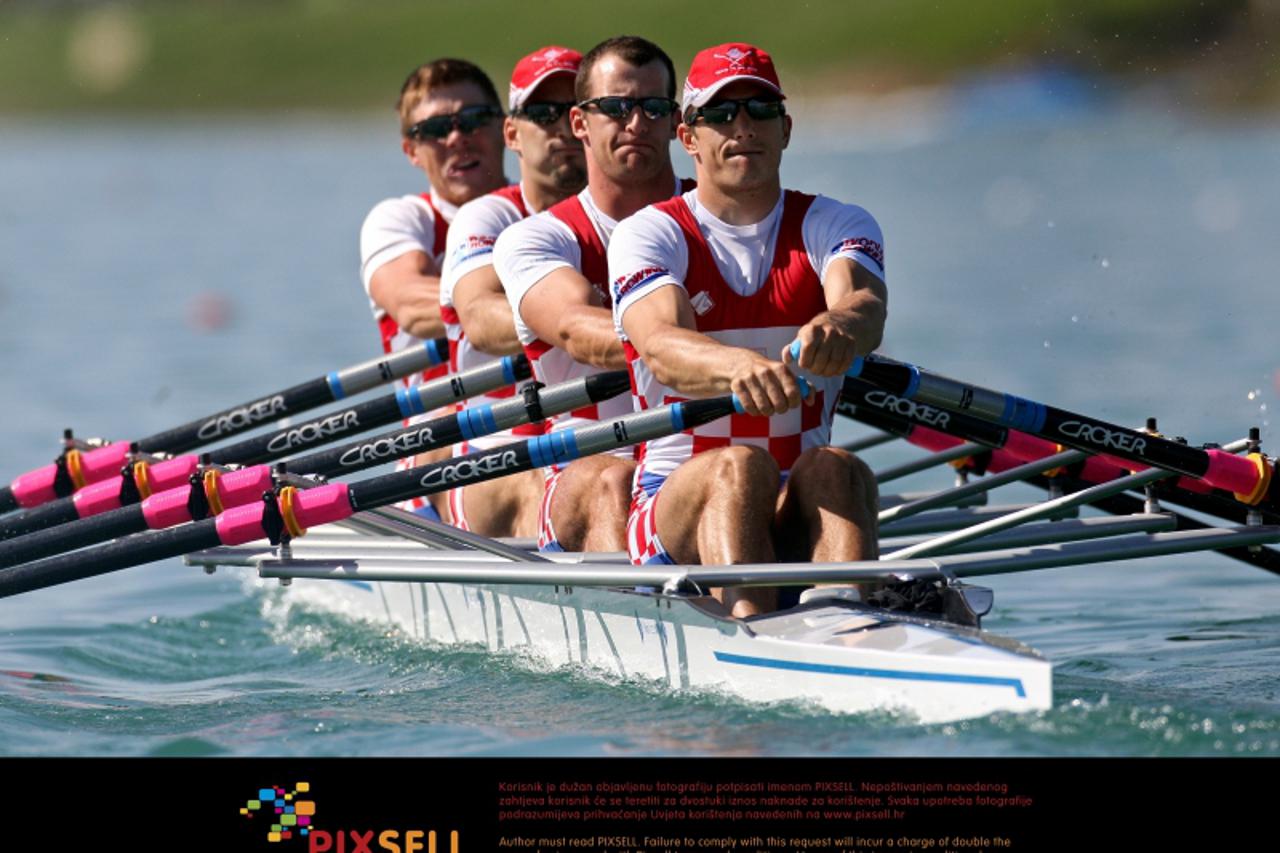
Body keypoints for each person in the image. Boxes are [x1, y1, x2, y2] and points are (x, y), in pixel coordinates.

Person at [608, 43, 887, 617]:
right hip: (673, 507)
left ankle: (848, 622)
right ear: (689, 138)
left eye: (759, 111)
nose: (742, 128)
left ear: (785, 129)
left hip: (797, 504)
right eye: (719, 114)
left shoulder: (835, 222)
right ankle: (751, 625)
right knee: (740, 464)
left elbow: (864, 302)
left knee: (837, 466)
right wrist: (738, 367)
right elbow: (659, 345)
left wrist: (839, 326)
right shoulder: (649, 234)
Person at [492, 35, 691, 552]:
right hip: (592, 476)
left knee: (833, 472)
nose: (637, 123)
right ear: (580, 123)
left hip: (715, 469)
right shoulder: (536, 239)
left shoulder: (722, 221)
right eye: (616, 108)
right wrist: (719, 351)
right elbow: (578, 333)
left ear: (676, 122)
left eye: (653, 108)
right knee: (613, 479)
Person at [439, 46, 588, 537]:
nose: (564, 129)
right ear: (511, 133)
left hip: (600, 444)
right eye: (545, 115)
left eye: (575, 112)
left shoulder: (639, 219)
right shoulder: (487, 218)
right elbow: (481, 320)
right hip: (495, 452)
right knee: (550, 483)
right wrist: (576, 324)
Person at [359, 58, 508, 519]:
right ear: (411, 150)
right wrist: (545, 310)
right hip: (435, 447)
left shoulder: (545, 219)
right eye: (437, 128)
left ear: (505, 128)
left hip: (538, 422)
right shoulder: (405, 220)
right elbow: (410, 304)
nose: (457, 137)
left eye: (474, 120)